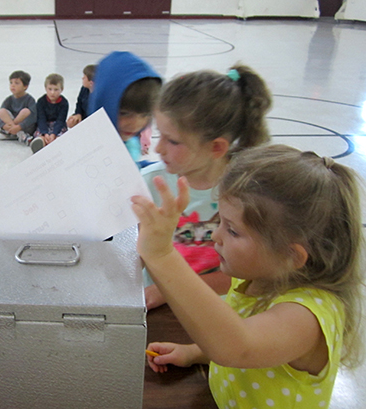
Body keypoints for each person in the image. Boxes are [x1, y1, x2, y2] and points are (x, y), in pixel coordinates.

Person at [134, 144, 364, 409]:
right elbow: (232, 335)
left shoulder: (306, 317)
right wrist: (194, 352)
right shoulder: (253, 278)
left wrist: (162, 255)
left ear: (291, 256)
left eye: (232, 231)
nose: (215, 236)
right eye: (220, 221)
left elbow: (237, 346)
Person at [142, 64, 272, 310]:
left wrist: (170, 290)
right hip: (161, 309)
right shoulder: (150, 183)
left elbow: (246, 275)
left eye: (173, 141)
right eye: (160, 134)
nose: (158, 149)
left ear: (216, 148)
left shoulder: (250, 194)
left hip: (220, 312)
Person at [87, 51, 162, 165]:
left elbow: (131, 169)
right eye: (124, 113)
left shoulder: (129, 142)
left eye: (145, 114)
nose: (135, 124)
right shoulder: (88, 150)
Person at [19, 73, 69, 153]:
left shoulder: (64, 103)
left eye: (56, 89)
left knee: (61, 135)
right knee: (39, 134)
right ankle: (41, 142)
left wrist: (54, 134)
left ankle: (54, 142)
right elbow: (41, 118)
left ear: (61, 89)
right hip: (44, 124)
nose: (52, 92)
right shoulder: (41, 101)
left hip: (57, 125)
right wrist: (45, 133)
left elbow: (61, 120)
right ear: (45, 88)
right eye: (50, 89)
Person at [0, 70, 37, 141]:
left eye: (17, 83)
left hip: (25, 127)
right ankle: (17, 133)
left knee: (26, 111)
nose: (13, 85)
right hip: (11, 124)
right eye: (11, 83)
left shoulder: (30, 100)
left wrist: (19, 126)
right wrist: (4, 125)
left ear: (25, 86)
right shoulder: (9, 100)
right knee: (2, 111)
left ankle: (14, 131)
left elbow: (33, 117)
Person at [67, 64, 95, 128]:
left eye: (84, 77)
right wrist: (77, 114)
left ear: (91, 83)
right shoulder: (84, 89)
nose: (82, 78)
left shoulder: (99, 96)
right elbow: (79, 103)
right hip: (83, 118)